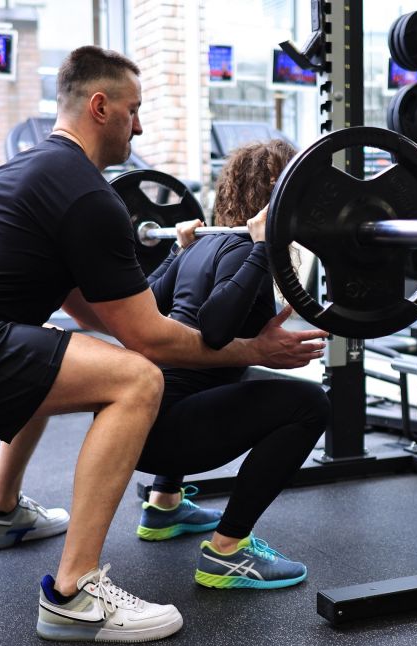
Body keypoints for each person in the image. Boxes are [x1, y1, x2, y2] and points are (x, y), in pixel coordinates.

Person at [0, 46, 326, 644]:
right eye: (133, 111)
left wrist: (182, 267)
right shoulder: (86, 193)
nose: (140, 126)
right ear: (100, 106)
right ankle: (73, 592)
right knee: (136, 378)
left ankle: (3, 515)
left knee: (57, 351)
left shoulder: (34, 170)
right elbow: (149, 338)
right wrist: (253, 351)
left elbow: (93, 309)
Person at [134, 139, 330, 589]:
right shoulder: (246, 250)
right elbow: (215, 329)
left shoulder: (204, 245)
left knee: (226, 377)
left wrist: (178, 253)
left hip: (138, 429)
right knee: (309, 404)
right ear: (280, 197)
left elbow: (148, 302)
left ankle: (164, 504)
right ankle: (228, 550)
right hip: (168, 435)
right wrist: (263, 250)